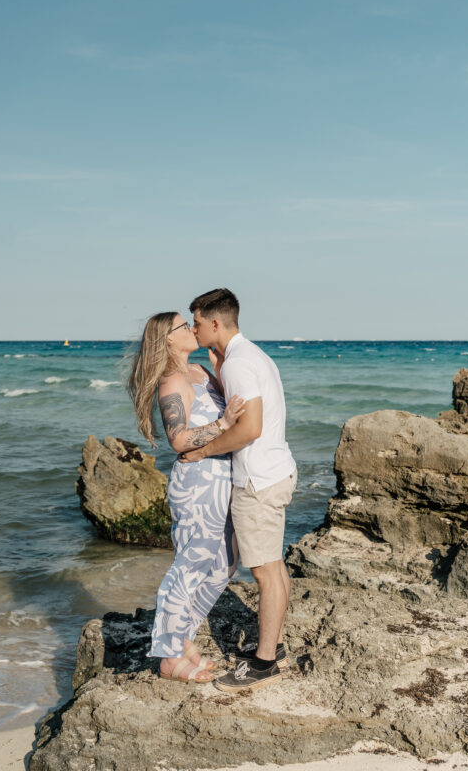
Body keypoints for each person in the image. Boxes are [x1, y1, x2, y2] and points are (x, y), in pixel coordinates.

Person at [180, 288, 297, 693]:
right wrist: (220, 369)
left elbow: (250, 429)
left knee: (265, 573)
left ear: (215, 322)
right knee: (274, 567)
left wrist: (202, 451)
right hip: (275, 471)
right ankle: (274, 647)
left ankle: (263, 664)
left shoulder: (239, 364)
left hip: (257, 481)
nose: (193, 329)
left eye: (197, 322)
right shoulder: (249, 356)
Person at [127, 311, 245, 683]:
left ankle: (181, 639)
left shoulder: (199, 371)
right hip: (196, 483)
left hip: (222, 478)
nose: (192, 329)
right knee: (190, 566)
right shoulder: (171, 380)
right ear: (167, 339)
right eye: (184, 326)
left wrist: (221, 366)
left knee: (225, 565)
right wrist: (223, 424)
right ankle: (168, 655)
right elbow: (178, 439)